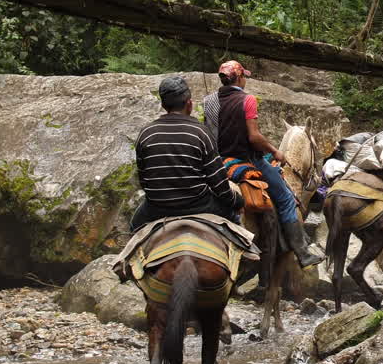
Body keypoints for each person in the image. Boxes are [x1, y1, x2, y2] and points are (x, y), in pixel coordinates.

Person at [210, 60, 324, 268]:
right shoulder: (248, 100)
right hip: (248, 160)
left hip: (219, 161)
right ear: (240, 78)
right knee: (286, 199)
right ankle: (303, 253)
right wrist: (275, 151)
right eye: (245, 76)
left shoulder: (210, 101)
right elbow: (254, 137)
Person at [131, 75, 241, 231]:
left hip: (157, 208)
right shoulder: (200, 133)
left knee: (134, 227)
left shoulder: (146, 133)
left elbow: (144, 180)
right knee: (236, 224)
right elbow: (218, 183)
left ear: (163, 105)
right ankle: (248, 252)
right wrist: (236, 201)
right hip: (199, 205)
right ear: (189, 103)